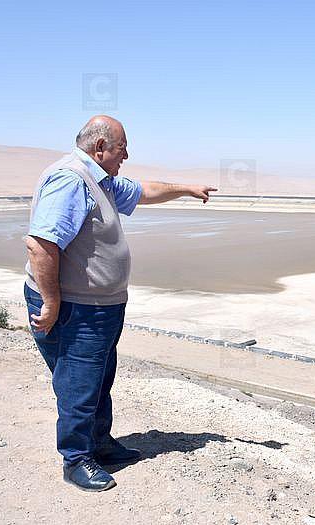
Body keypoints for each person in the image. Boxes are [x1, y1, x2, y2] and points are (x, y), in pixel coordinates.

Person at [23, 115, 216, 492]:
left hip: (101, 306)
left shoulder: (103, 180)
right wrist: (51, 301)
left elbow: (145, 190)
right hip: (77, 307)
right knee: (78, 382)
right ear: (100, 148)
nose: (126, 155)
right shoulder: (71, 179)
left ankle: (99, 443)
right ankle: (77, 459)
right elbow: (41, 243)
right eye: (122, 148)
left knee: (98, 378)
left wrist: (187, 188)